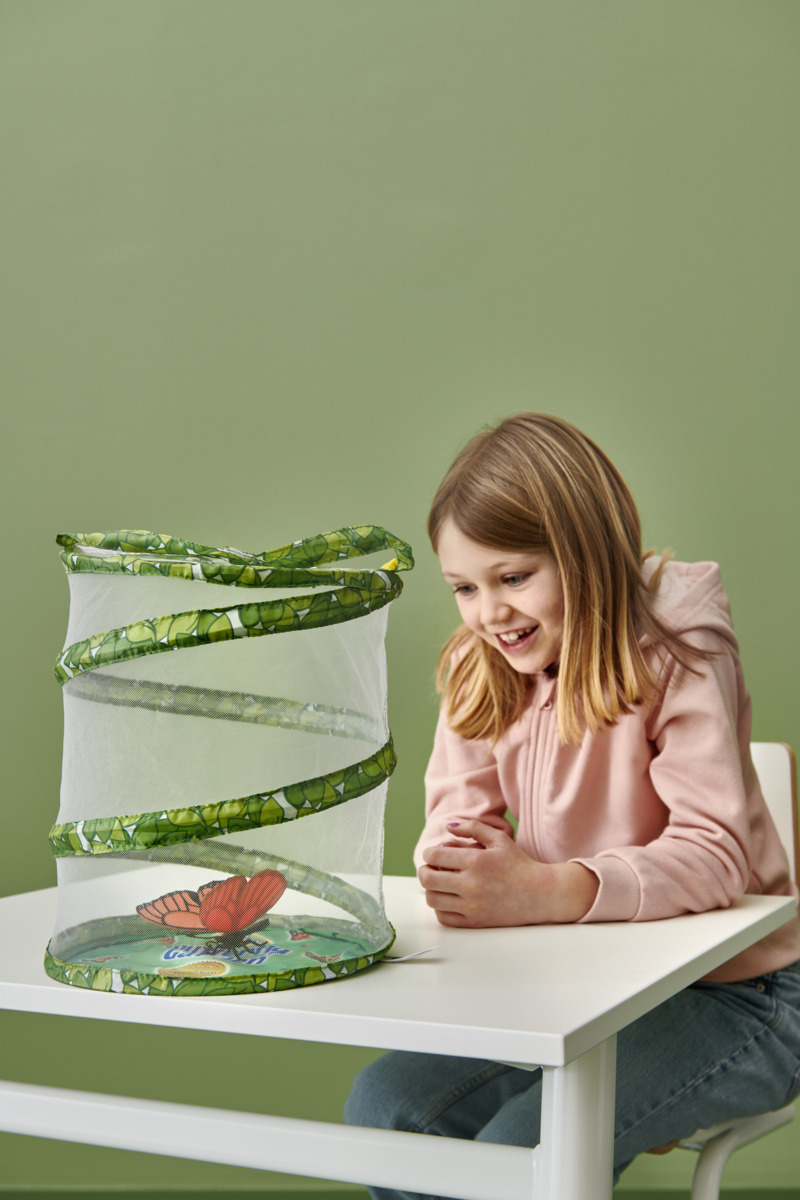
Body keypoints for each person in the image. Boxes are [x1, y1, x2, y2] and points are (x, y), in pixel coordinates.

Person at [344, 413, 800, 1193]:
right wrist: (460, 871)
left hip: (741, 998)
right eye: (465, 588)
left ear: (586, 554)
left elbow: (716, 855)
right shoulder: (481, 664)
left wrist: (550, 889)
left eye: (514, 577)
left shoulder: (679, 649)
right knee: (386, 1106)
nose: (490, 613)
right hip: (582, 990)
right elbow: (455, 828)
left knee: (526, 1146)